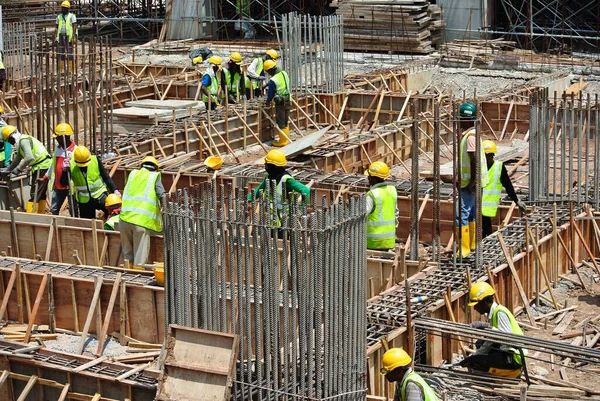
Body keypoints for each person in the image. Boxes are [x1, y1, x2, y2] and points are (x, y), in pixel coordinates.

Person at [461, 282, 527, 378]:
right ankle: (500, 371)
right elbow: (490, 341)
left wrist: (488, 327)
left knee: (478, 362)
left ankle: (511, 373)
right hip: (507, 351)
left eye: (476, 304)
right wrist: (474, 356)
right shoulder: (492, 314)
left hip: (514, 356)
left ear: (484, 302)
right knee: (480, 344)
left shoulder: (500, 313)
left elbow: (508, 339)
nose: (475, 308)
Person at [120, 156, 166, 268]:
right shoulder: (154, 177)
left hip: (124, 219)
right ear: (156, 169)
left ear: (142, 166)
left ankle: (128, 278)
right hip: (141, 222)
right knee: (140, 259)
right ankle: (136, 280)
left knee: (127, 256)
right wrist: (166, 207)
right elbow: (162, 195)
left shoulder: (133, 174)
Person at [456, 102, 488, 258]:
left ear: (466, 120)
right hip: (475, 183)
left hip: (470, 185)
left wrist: (470, 183)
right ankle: (472, 245)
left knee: (461, 214)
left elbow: (475, 160)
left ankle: (464, 248)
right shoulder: (474, 135)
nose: (459, 122)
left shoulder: (470, 137)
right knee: (472, 215)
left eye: (461, 119)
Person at [248, 150, 310, 227]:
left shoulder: (286, 180)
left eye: (267, 164)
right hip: (270, 221)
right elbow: (259, 190)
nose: (265, 166)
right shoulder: (269, 177)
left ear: (273, 166)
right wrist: (247, 199)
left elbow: (306, 190)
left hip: (285, 223)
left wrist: (300, 210)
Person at [0, 125, 51, 213]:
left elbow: (29, 157)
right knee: (40, 194)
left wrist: (18, 169)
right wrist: (8, 169)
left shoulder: (24, 141)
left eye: (9, 140)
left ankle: (32, 217)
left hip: (42, 166)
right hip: (41, 166)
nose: (10, 143)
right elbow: (18, 158)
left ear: (12, 136)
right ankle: (40, 215)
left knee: (35, 194)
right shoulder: (21, 141)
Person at [481, 140, 527, 237]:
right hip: (474, 207)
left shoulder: (499, 167)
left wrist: (516, 200)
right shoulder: (478, 166)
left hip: (486, 208)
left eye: (487, 156)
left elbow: (508, 185)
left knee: (486, 230)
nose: (485, 159)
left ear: (491, 155)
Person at [70, 145, 120, 218]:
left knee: (112, 213)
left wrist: (115, 190)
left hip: (100, 195)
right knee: (87, 225)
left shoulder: (95, 160)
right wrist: (64, 172)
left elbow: (105, 176)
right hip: (85, 200)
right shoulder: (71, 165)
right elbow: (64, 183)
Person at [42, 123, 77, 215]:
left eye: (58, 137)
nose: (56, 139)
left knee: (73, 211)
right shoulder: (58, 149)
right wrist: (46, 177)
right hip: (58, 186)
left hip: (70, 187)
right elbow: (53, 165)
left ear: (64, 137)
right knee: (54, 210)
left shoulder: (75, 151)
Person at [365, 161, 398, 251]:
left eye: (369, 175)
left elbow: (362, 215)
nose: (368, 177)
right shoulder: (392, 190)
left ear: (374, 178)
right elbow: (396, 213)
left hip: (373, 242)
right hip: (389, 242)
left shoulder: (372, 194)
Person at [263, 60, 291, 147]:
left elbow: (271, 94)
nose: (268, 74)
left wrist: (268, 101)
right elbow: (279, 81)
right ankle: (286, 138)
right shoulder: (284, 73)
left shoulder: (273, 80)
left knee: (281, 121)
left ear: (270, 70)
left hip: (280, 102)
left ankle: (282, 141)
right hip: (288, 99)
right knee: (286, 120)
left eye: (268, 72)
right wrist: (268, 84)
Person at [56, 0, 77, 73]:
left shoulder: (72, 16)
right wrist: (56, 37)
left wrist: (74, 37)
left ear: (68, 8)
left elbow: (74, 27)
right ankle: (60, 71)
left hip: (69, 37)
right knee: (61, 53)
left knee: (70, 53)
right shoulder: (59, 16)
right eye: (62, 8)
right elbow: (56, 27)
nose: (63, 9)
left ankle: (72, 70)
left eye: (65, 8)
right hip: (61, 37)